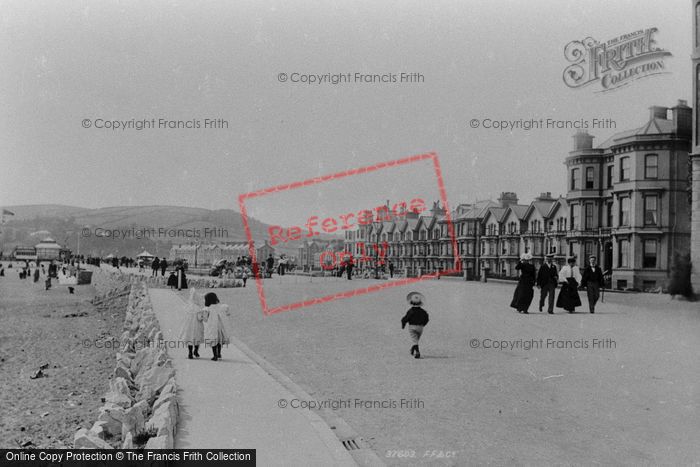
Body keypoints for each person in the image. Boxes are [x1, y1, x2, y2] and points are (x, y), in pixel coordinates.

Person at [202, 292, 232, 361]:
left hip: (212, 326)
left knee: (213, 340)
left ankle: (214, 355)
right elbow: (227, 312)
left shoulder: (208, 309)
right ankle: (219, 353)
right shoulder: (221, 306)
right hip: (220, 326)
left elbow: (205, 319)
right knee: (219, 340)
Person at [401, 291, 430, 359]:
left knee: (415, 340)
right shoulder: (423, 312)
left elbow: (405, 318)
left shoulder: (411, 311)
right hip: (420, 327)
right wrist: (423, 325)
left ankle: (417, 352)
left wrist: (403, 325)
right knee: (416, 340)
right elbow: (427, 319)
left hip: (412, 326)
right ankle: (412, 349)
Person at [179, 288, 204, 359]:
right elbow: (200, 318)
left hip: (189, 325)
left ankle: (190, 352)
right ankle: (196, 351)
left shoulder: (188, 306)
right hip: (197, 326)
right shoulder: (198, 308)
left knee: (189, 339)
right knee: (197, 339)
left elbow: (184, 315)